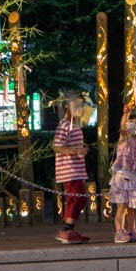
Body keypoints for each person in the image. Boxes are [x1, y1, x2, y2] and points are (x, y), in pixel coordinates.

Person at [53, 93, 91, 244]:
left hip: (77, 169)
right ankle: (67, 227)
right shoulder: (64, 126)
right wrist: (76, 151)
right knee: (77, 197)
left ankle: (69, 228)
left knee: (77, 198)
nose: (80, 109)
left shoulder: (74, 126)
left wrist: (81, 150)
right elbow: (57, 147)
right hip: (69, 170)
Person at [109, 106, 136, 243]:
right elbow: (122, 128)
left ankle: (132, 229)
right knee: (122, 206)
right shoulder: (124, 139)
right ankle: (119, 231)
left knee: (133, 207)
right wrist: (126, 114)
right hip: (121, 176)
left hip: (133, 178)